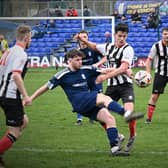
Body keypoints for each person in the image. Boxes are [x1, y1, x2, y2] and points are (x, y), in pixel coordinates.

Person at [29, 49, 143, 156]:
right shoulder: (62, 75)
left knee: (109, 119)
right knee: (104, 98)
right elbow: (45, 87)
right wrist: (31, 98)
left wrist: (124, 71)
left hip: (87, 103)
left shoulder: (85, 69)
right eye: (77, 60)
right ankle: (127, 114)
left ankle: (115, 149)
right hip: (79, 102)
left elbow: (104, 70)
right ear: (70, 60)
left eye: (81, 59)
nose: (80, 62)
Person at [77, 23, 144, 152]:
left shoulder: (128, 49)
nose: (122, 39)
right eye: (119, 36)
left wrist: (104, 76)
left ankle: (132, 135)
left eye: (124, 36)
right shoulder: (108, 47)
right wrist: (84, 40)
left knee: (128, 113)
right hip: (112, 87)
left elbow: (123, 68)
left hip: (125, 85)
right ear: (115, 35)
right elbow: (95, 46)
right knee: (99, 113)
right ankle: (117, 135)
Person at [0, 25, 32, 167]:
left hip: (3, 94)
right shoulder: (21, 54)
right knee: (15, 131)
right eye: (30, 38)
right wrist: (25, 96)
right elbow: (16, 75)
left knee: (23, 121)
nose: (30, 40)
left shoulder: (8, 51)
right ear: (26, 38)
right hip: (10, 96)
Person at [73, 30, 104, 125]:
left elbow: (106, 57)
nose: (83, 39)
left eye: (85, 37)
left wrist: (98, 64)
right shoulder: (76, 52)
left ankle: (94, 116)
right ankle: (79, 119)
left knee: (98, 97)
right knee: (81, 97)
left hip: (95, 77)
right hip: (83, 78)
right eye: (81, 37)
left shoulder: (93, 49)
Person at [145, 27, 168, 123]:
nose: (167, 36)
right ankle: (149, 119)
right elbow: (149, 60)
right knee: (154, 96)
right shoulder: (156, 46)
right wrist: (148, 74)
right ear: (162, 35)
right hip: (160, 74)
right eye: (165, 34)